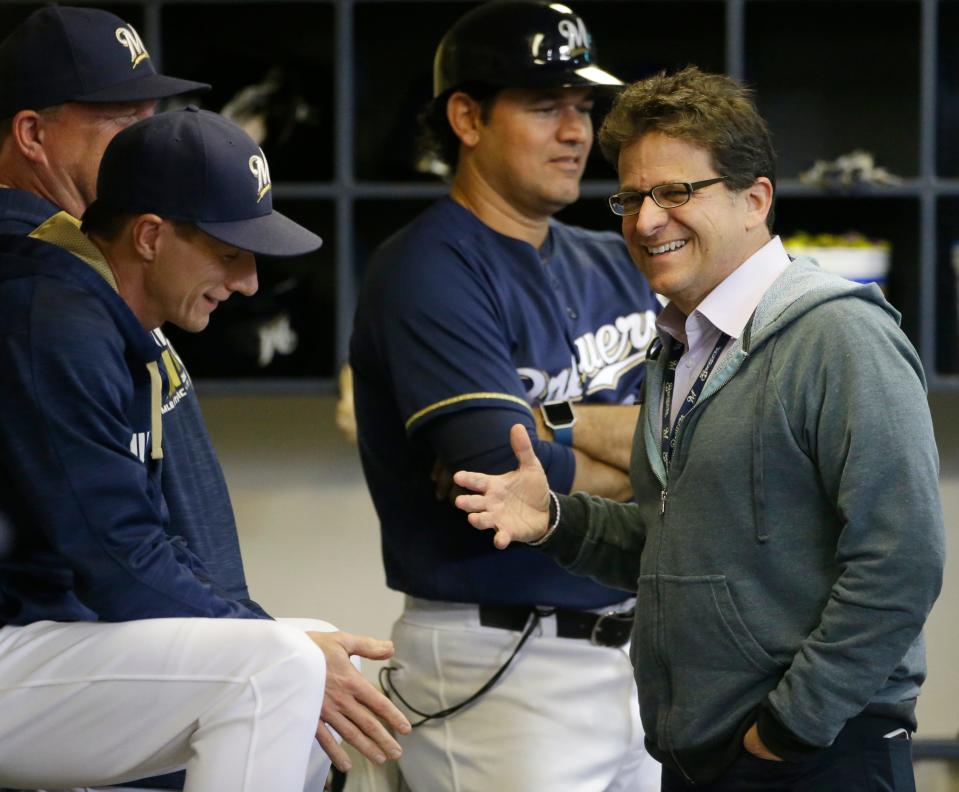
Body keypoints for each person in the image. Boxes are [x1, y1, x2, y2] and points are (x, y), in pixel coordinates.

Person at [452, 66, 946, 792]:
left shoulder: (840, 335)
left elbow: (900, 562)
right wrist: (552, 520)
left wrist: (789, 729)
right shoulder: (682, 348)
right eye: (630, 197)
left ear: (754, 200)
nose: (645, 220)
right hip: (703, 756)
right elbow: (674, 543)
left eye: (676, 192)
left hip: (814, 756)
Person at [0, 107, 410, 791]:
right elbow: (115, 558)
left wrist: (277, 635)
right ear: (152, 236)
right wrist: (270, 640)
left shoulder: (106, 319)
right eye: (228, 252)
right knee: (283, 664)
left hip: (43, 642)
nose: (249, 281)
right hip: (18, 640)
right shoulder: (54, 321)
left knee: (316, 649)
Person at [349, 2, 662, 789]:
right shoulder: (427, 269)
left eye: (584, 107)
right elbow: (499, 477)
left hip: (645, 654)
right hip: (501, 665)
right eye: (545, 105)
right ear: (466, 116)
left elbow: (712, 434)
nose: (577, 131)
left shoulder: (616, 256)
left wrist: (555, 425)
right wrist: (659, 470)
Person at [0, 5, 261, 623]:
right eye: (122, 122)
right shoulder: (36, 271)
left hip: (146, 624)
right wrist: (240, 635)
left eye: (150, 118)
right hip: (69, 643)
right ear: (33, 135)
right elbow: (105, 540)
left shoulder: (87, 247)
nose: (146, 140)